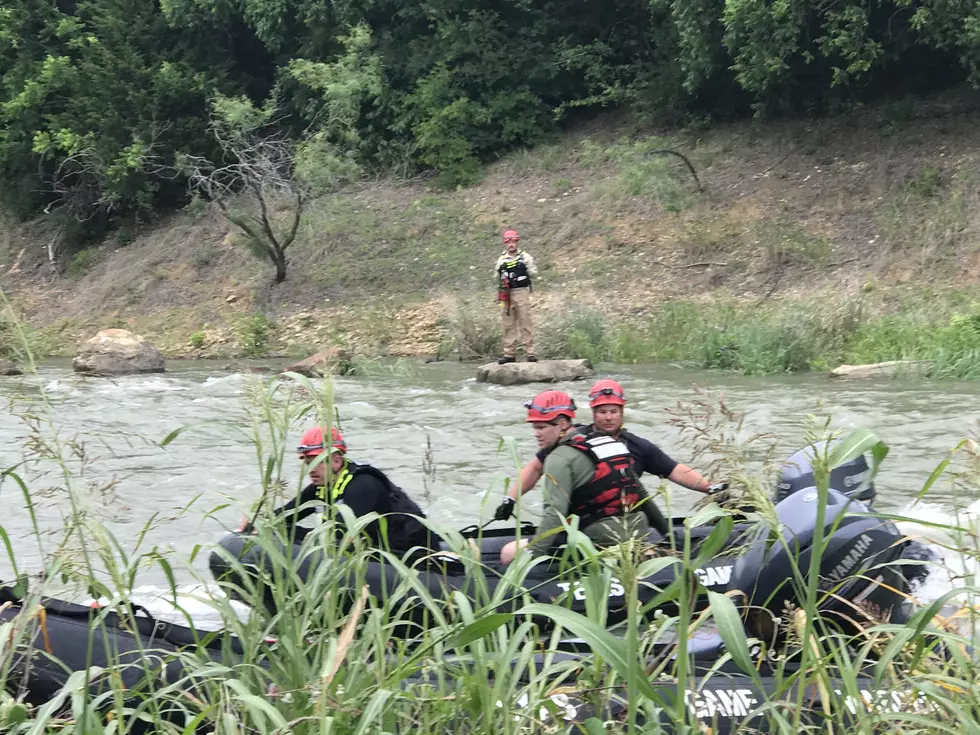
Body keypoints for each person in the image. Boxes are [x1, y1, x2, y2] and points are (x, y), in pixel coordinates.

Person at [493, 378, 717, 525]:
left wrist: (711, 488)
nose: (608, 417)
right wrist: (510, 498)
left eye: (613, 411)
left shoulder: (637, 446)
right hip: (583, 523)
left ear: (622, 412)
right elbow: (534, 468)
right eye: (602, 412)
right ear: (592, 412)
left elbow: (675, 471)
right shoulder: (571, 442)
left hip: (622, 522)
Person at [499, 388, 662, 563]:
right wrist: (667, 534)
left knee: (509, 552)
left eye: (541, 427)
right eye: (534, 427)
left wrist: (533, 556)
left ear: (562, 423)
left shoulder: (558, 458)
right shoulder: (609, 442)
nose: (536, 433)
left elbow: (554, 513)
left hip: (600, 537)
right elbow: (643, 496)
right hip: (639, 530)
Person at [256, 426, 444, 556]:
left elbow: (336, 538)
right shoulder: (323, 486)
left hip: (413, 557)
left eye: (316, 462)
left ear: (336, 460)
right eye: (307, 463)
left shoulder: (363, 486)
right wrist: (260, 524)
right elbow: (286, 515)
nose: (311, 469)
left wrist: (286, 533)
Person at [493, 229, 538, 364]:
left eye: (513, 241)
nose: (511, 244)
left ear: (517, 242)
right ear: (505, 244)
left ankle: (530, 353)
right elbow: (495, 278)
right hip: (506, 294)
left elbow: (534, 274)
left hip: (521, 292)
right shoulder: (501, 259)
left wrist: (525, 269)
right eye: (508, 242)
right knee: (508, 324)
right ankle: (509, 354)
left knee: (525, 321)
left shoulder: (526, 257)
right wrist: (500, 271)